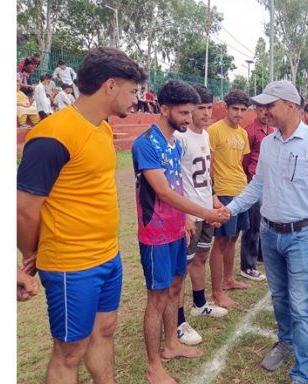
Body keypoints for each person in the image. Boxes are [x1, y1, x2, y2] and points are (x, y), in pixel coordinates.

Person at [16, 46, 147, 384]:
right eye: (133, 91)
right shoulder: (52, 135)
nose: (136, 100)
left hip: (108, 256)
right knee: (69, 351)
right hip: (71, 264)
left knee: (104, 331)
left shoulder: (101, 128)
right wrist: (31, 254)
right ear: (111, 85)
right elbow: (25, 209)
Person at [224, 80, 308, 384]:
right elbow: (258, 185)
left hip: (301, 235)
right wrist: (230, 209)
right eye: (261, 106)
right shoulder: (268, 142)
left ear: (290, 106)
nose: (263, 112)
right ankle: (285, 341)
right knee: (279, 296)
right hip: (269, 232)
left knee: (301, 304)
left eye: (269, 105)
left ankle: (301, 372)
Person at [131, 79, 230, 383]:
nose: (189, 118)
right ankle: (153, 366)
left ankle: (172, 345)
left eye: (191, 112)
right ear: (164, 109)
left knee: (176, 287)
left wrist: (186, 219)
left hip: (176, 230)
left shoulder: (174, 141)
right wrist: (203, 213)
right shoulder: (146, 143)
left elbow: (177, 185)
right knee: (157, 297)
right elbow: (163, 192)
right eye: (184, 113)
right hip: (156, 236)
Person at [173, 84, 229, 348]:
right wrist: (183, 213)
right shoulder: (179, 137)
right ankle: (178, 321)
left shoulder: (205, 136)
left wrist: (214, 199)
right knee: (181, 268)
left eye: (209, 107)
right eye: (201, 108)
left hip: (206, 209)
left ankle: (199, 304)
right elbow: (172, 180)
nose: (207, 113)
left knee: (202, 257)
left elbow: (205, 174)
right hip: (189, 213)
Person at [207, 89, 254, 309]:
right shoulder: (214, 131)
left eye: (243, 110)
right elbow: (209, 164)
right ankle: (217, 292)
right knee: (222, 240)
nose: (239, 113)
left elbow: (241, 164)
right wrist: (213, 193)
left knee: (234, 237)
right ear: (226, 108)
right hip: (224, 191)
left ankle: (228, 279)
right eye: (235, 109)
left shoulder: (242, 134)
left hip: (241, 190)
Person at [240, 105, 274, 274]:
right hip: (254, 182)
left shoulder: (273, 131)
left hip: (269, 183)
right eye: (262, 110)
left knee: (265, 222)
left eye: (269, 110)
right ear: (256, 111)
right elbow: (244, 161)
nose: (266, 113)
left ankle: (261, 254)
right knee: (252, 225)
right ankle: (248, 264)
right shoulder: (250, 132)